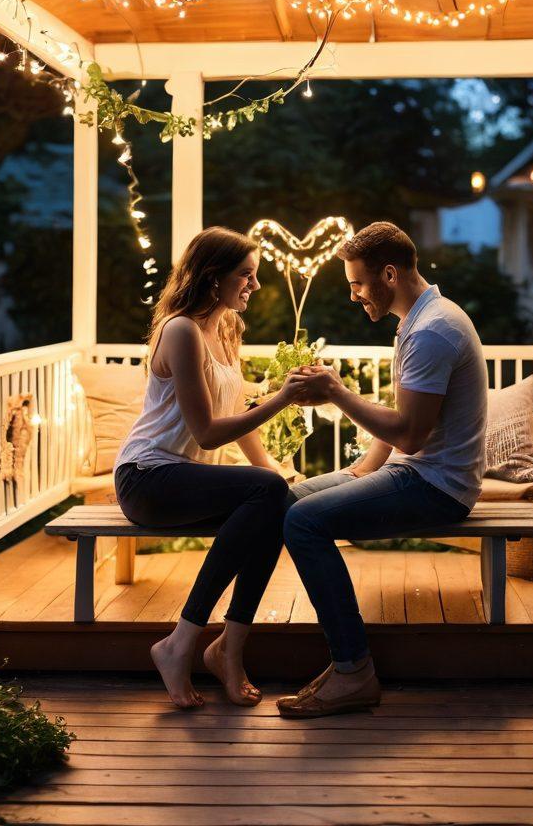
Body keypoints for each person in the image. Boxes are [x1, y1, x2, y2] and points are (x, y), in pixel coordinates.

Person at [278, 222, 488, 717]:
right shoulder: (418, 319)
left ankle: (353, 670)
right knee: (285, 499)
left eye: (356, 283)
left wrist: (336, 392)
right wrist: (362, 470)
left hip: (437, 486)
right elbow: (405, 424)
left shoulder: (433, 330)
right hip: (412, 470)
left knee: (302, 522)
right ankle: (238, 640)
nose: (353, 295)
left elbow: (411, 435)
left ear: (388, 274)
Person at [114, 227, 310, 709]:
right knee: (266, 494)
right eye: (246, 274)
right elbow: (206, 432)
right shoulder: (180, 330)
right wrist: (282, 398)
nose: (255, 285)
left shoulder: (225, 331)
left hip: (181, 480)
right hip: (147, 478)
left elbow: (237, 422)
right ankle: (180, 643)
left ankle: (229, 649)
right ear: (212, 276)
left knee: (277, 504)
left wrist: (277, 475)